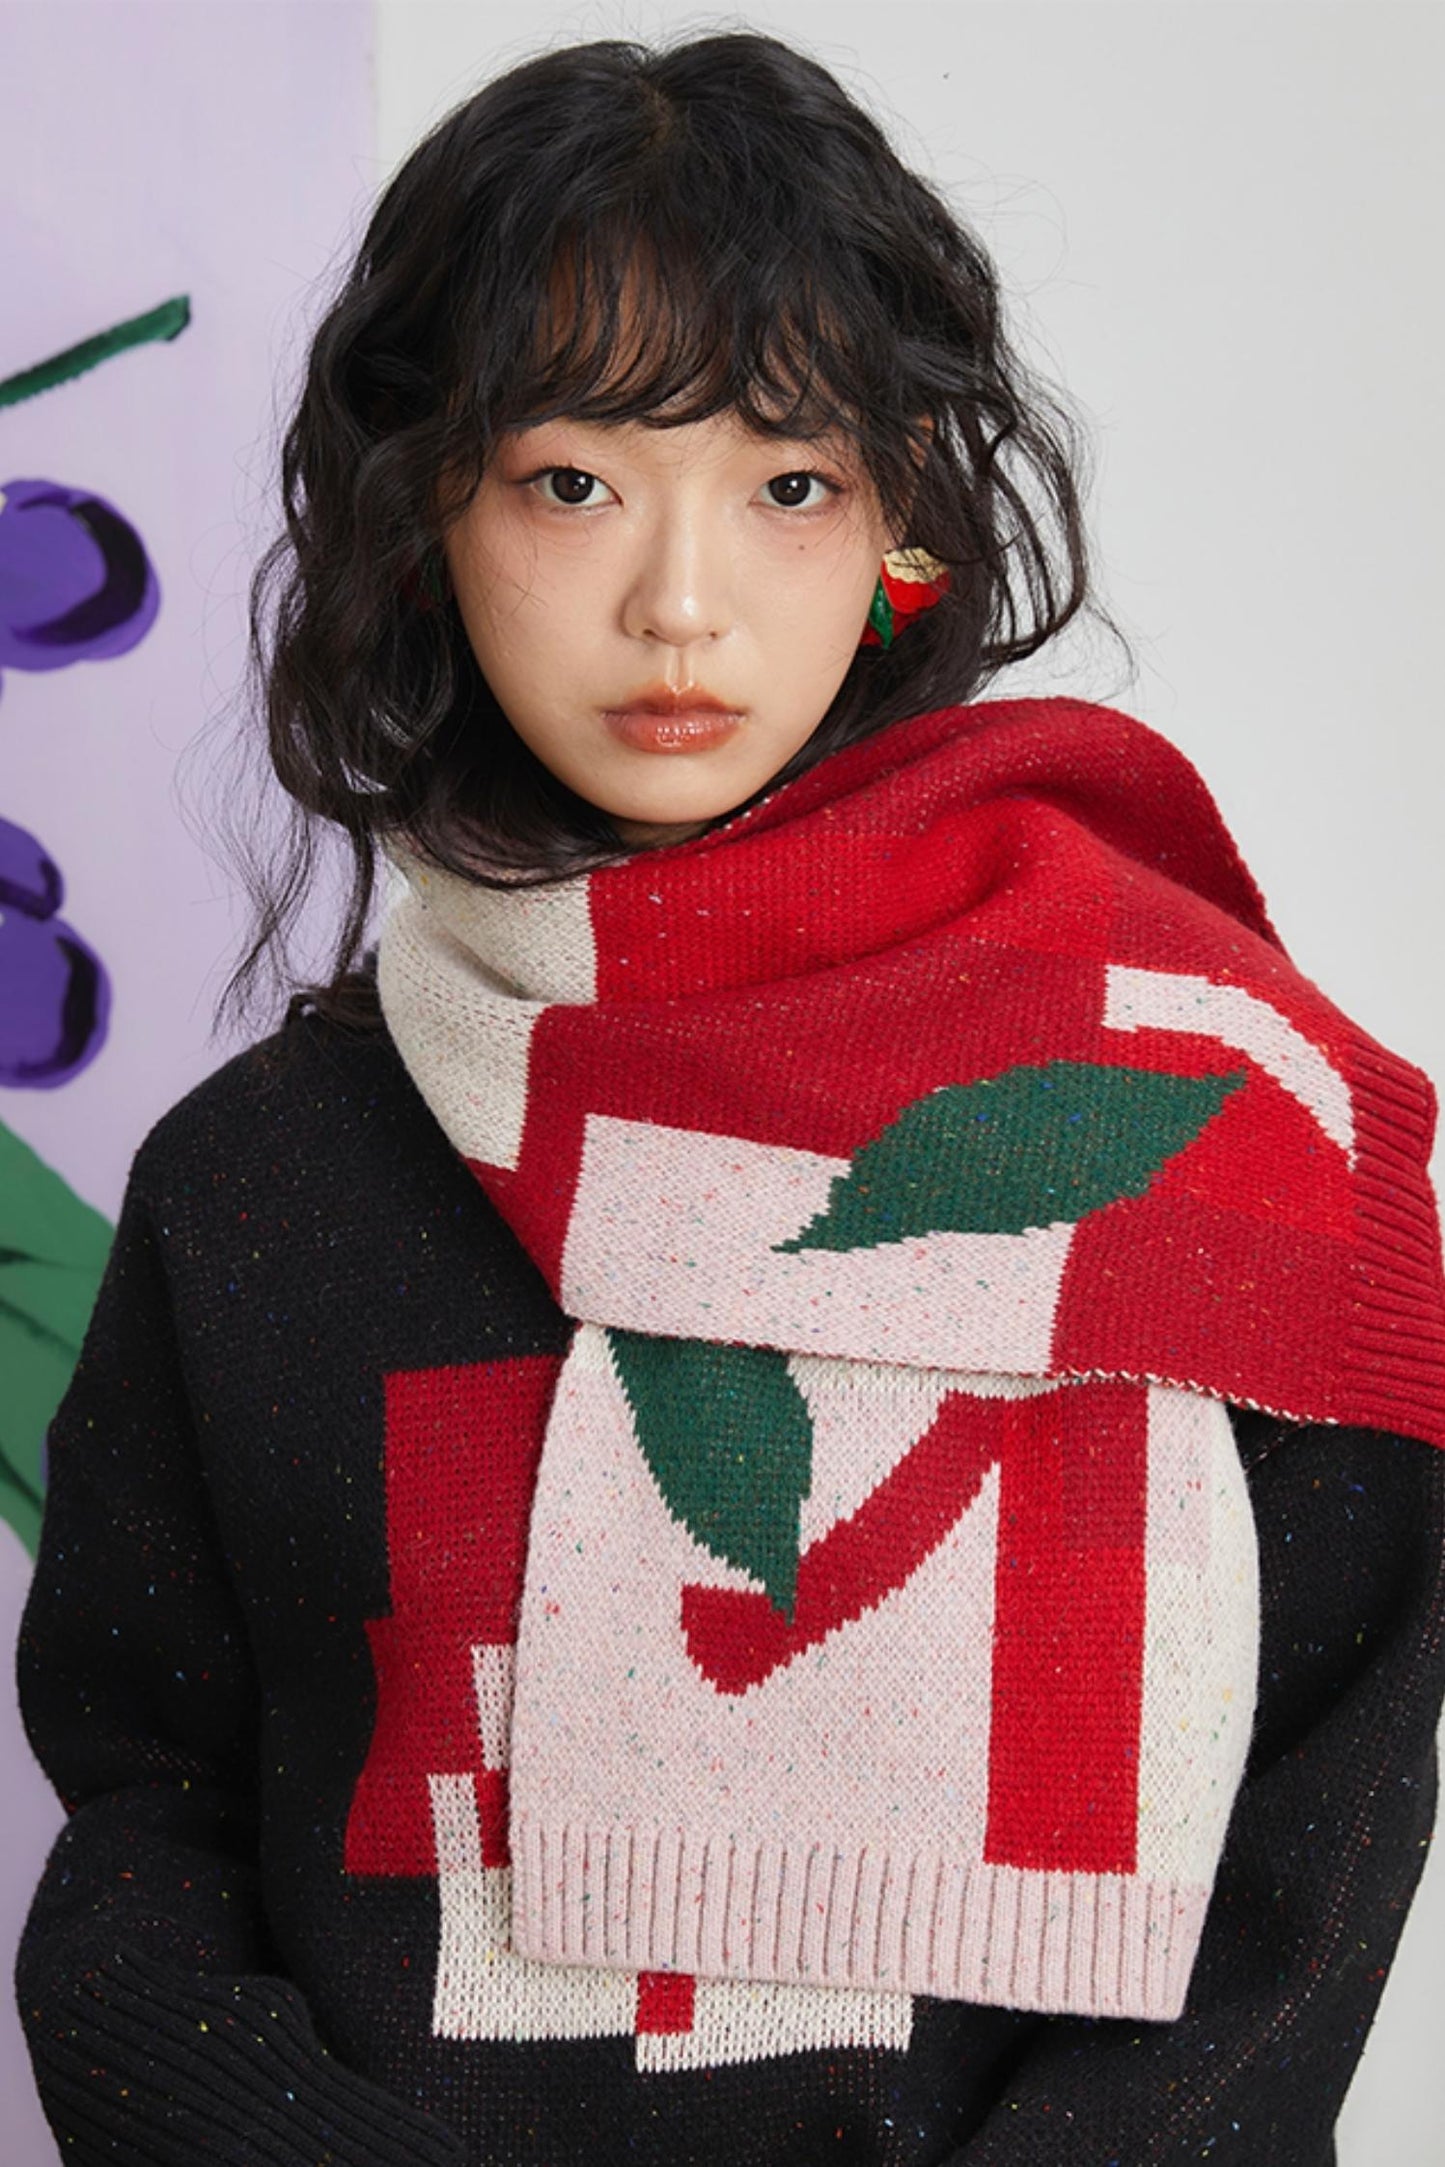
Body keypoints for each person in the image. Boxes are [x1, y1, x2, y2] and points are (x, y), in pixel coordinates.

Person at [14, 31, 1445, 2167]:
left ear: (905, 525)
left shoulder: (1208, 1124)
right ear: (422, 513)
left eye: (787, 484)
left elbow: (1313, 1829)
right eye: (570, 480)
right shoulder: (256, 1185)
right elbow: (144, 1832)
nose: (676, 601)